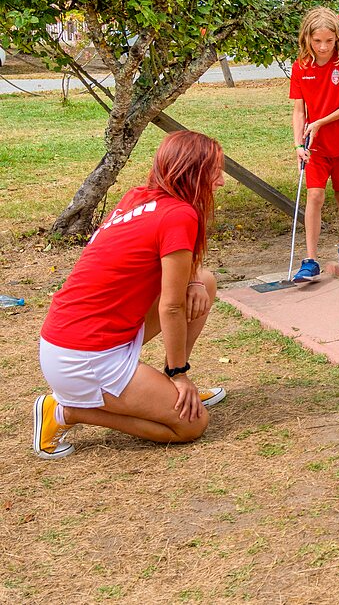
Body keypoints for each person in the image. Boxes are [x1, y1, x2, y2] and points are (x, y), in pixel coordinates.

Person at [33, 132, 226, 459]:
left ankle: (166, 387)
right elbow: (171, 307)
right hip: (83, 357)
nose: (220, 181)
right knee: (191, 425)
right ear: (190, 173)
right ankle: (66, 411)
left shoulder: (139, 197)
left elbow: (173, 264)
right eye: (214, 171)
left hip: (72, 338)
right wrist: (180, 374)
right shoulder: (180, 214)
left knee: (203, 282)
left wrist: (193, 279)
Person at [289, 7, 339, 282]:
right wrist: (298, 144)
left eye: (329, 41)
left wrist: (320, 121)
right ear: (307, 38)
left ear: (338, 38)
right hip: (315, 146)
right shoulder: (300, 66)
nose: (323, 47)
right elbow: (299, 110)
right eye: (317, 41)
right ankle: (310, 260)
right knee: (314, 196)